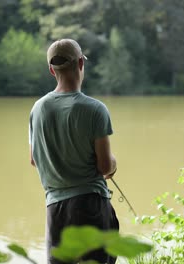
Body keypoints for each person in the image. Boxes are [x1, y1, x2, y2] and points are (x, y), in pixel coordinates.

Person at [28, 39, 119, 264]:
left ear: (51, 70)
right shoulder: (95, 109)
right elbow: (105, 167)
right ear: (80, 63)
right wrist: (114, 164)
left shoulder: (38, 109)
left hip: (55, 209)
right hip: (91, 206)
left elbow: (34, 159)